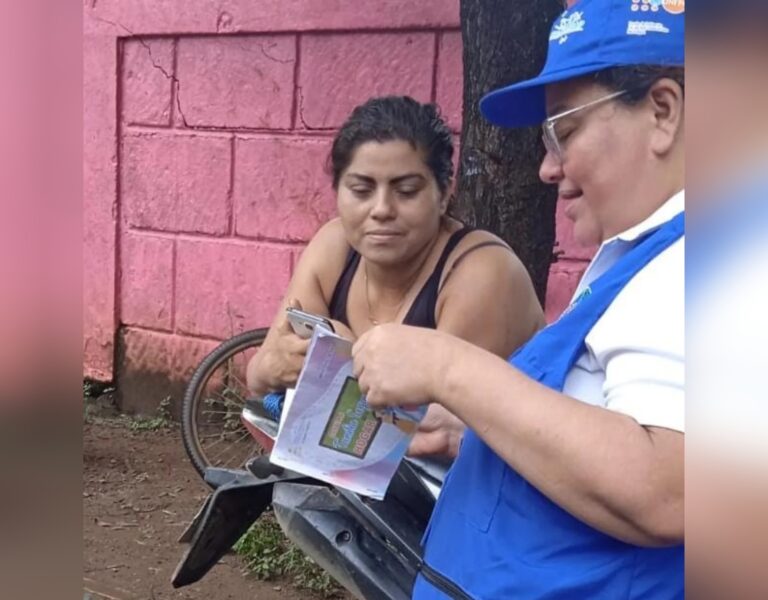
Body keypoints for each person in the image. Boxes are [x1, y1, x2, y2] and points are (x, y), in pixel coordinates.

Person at [352, 0, 685, 598]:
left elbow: (668, 489)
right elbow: (602, 431)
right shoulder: (644, 255)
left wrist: (448, 368)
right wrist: (481, 430)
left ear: (661, 111)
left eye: (565, 130)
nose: (547, 168)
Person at [246, 96, 544, 415]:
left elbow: (435, 431)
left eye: (406, 191)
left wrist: (342, 362)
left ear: (443, 195)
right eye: (361, 190)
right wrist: (270, 368)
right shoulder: (334, 247)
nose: (382, 210)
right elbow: (262, 372)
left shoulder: (481, 273)